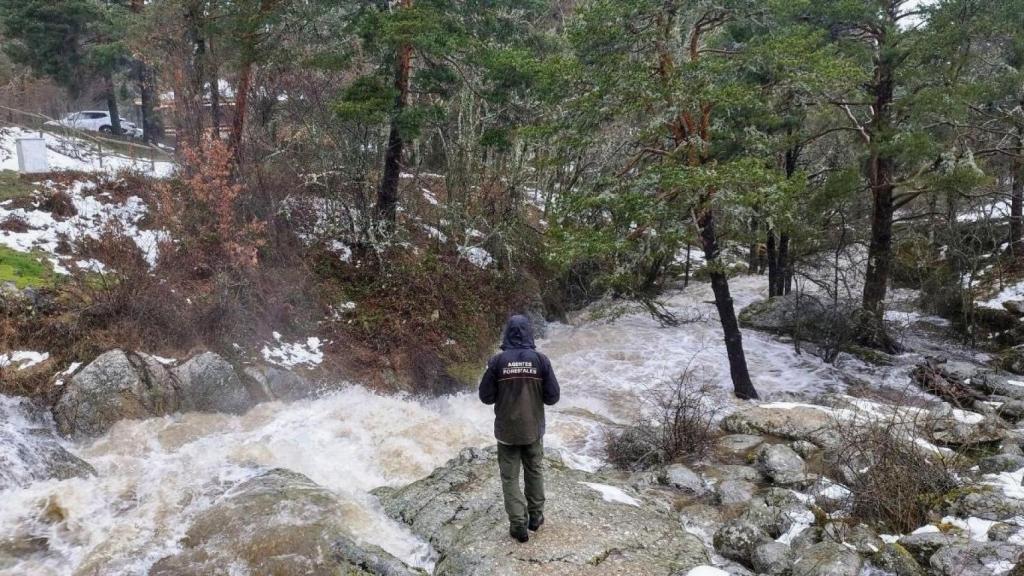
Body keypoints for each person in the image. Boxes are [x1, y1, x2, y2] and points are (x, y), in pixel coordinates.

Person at [479, 314, 560, 543]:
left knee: (510, 478)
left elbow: (485, 397)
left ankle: (518, 526)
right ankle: (535, 518)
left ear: (507, 333)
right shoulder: (541, 360)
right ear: (529, 333)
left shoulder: (497, 362)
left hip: (506, 432)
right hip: (533, 430)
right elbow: (552, 398)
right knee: (534, 471)